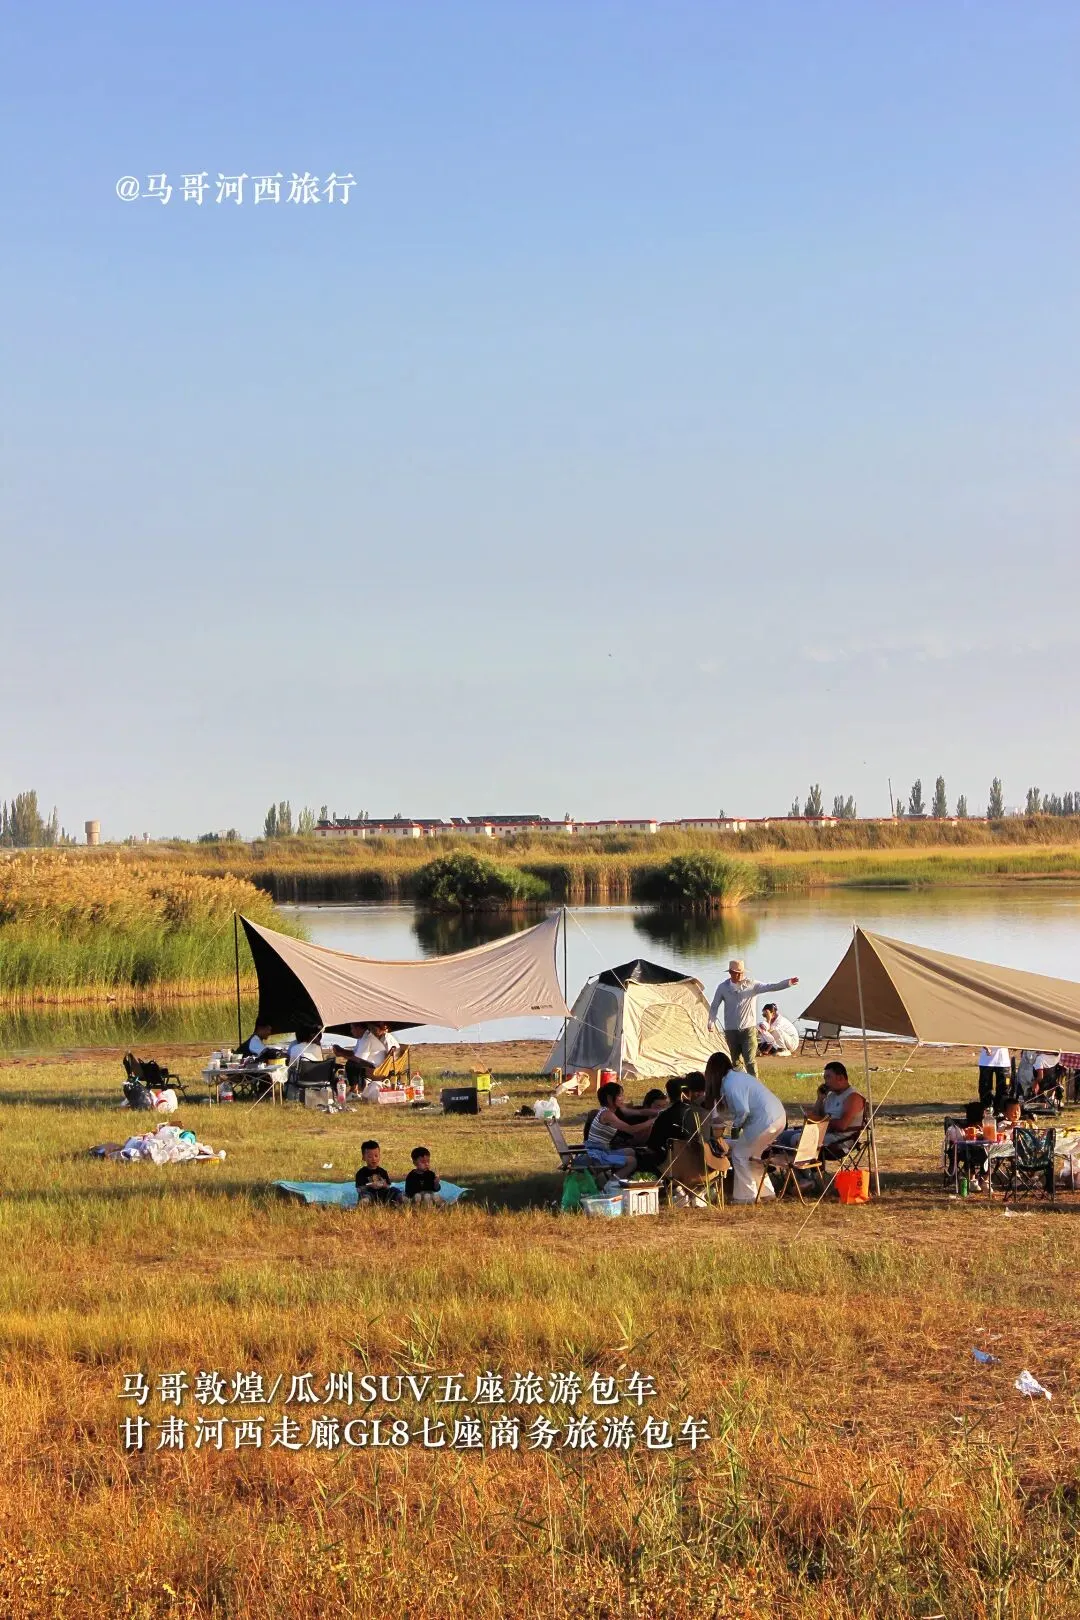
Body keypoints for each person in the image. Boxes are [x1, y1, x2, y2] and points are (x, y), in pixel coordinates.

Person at [703, 1050, 786, 1203]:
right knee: (753, 1156)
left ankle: (747, 1197)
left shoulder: (730, 1083)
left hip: (764, 1120)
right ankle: (766, 1193)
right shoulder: (738, 1077)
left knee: (740, 1154)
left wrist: (736, 1126)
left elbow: (743, 1110)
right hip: (778, 1117)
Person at [708, 959, 799, 1077]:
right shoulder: (723, 987)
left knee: (750, 1061)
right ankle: (740, 1082)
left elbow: (771, 987)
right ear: (730, 972)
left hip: (748, 1030)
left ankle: (754, 1083)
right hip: (731, 1030)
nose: (739, 976)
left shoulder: (752, 984)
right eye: (736, 973)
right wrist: (711, 1021)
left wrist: (788, 983)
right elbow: (714, 1005)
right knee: (735, 1062)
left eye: (741, 973)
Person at [585, 1081, 658, 1174]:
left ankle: (616, 1177)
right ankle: (612, 1182)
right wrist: (653, 1120)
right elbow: (631, 1129)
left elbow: (639, 1112)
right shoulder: (607, 1115)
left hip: (603, 1151)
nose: (623, 1098)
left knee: (631, 1151)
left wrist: (659, 1112)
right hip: (597, 1156)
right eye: (620, 1095)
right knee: (632, 1161)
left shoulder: (608, 1110)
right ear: (609, 1098)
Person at [646, 1073, 709, 1162]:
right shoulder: (704, 1113)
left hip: (671, 1165)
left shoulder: (664, 1116)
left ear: (669, 1095)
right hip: (701, 1163)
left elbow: (653, 1146)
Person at [354, 1140, 402, 1205]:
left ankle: (403, 1199)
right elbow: (359, 1189)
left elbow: (388, 1186)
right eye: (370, 1157)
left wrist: (384, 1184)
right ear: (363, 1158)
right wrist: (369, 1186)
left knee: (394, 1190)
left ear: (379, 1156)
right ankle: (363, 1203)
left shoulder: (383, 1171)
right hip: (370, 1195)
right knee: (365, 1195)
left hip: (383, 1196)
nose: (374, 1159)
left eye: (376, 1156)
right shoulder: (361, 1173)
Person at [977, 1046, 1011, 1111]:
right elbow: (979, 1040)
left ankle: (1001, 1107)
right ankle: (987, 1107)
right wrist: (986, 1048)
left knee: (1005, 1085)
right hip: (986, 1062)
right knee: (985, 1086)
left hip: (1003, 1062)